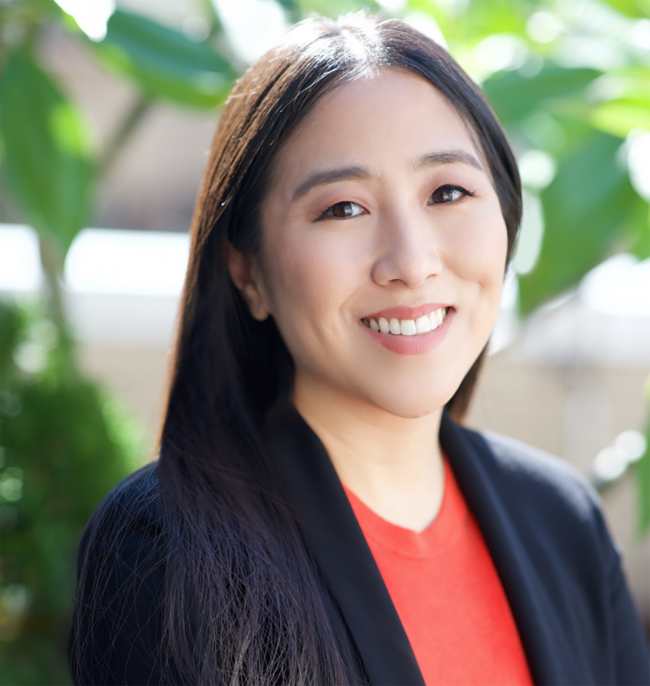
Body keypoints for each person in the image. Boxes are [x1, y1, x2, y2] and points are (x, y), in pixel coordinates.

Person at [69, 14, 650, 686]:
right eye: (343, 208)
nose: (410, 261)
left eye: (448, 192)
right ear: (247, 271)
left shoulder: (563, 524)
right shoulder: (168, 549)